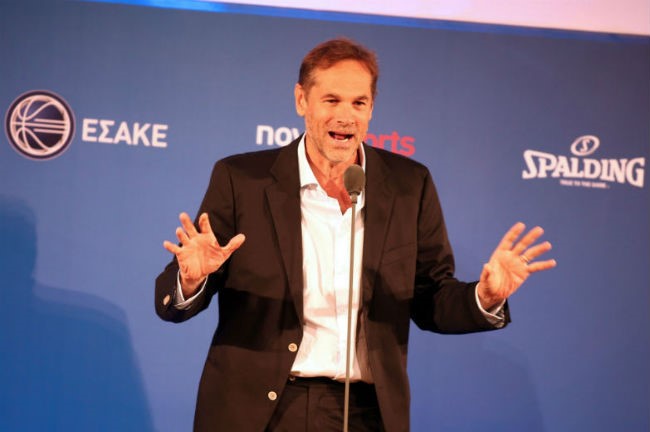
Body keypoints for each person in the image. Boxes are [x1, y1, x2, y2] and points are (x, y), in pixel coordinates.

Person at [155, 38, 556, 432]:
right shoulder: (242, 180)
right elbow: (173, 305)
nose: (345, 116)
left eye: (358, 103)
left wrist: (485, 296)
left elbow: (431, 297)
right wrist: (192, 279)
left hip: (366, 412)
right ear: (301, 100)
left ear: (371, 108)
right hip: (261, 411)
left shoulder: (409, 184)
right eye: (331, 100)